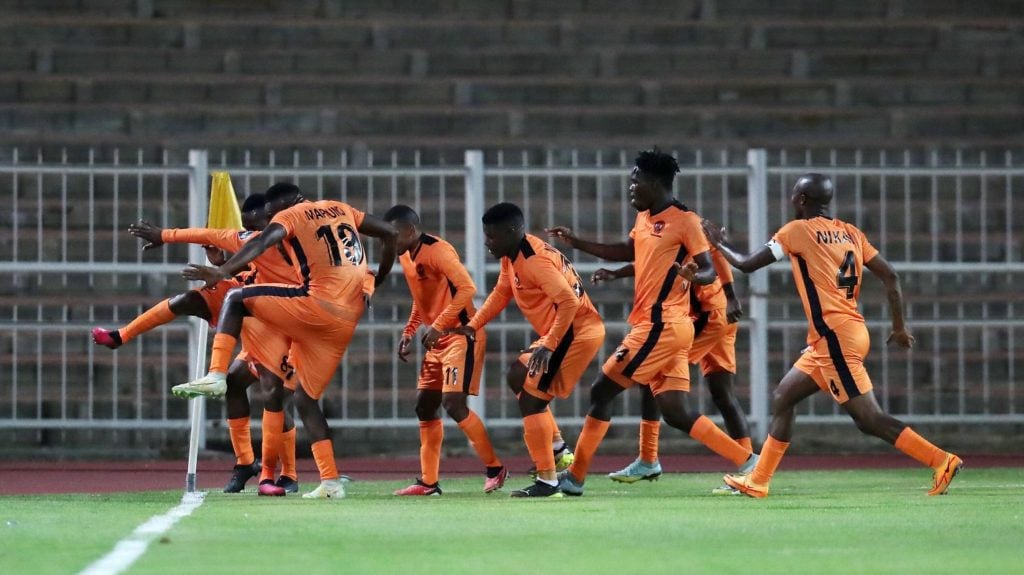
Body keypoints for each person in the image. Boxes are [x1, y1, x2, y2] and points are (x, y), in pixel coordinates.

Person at [703, 173, 962, 497]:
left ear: (800, 200)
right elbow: (890, 275)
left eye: (794, 195)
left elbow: (746, 264)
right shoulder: (850, 232)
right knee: (784, 397)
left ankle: (941, 460)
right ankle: (758, 481)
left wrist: (717, 243)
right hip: (846, 331)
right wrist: (898, 327)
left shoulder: (796, 231)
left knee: (869, 419)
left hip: (835, 337)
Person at [546, 149, 756, 496]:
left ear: (656, 182)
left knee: (602, 388)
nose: (631, 186)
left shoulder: (686, 220)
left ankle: (576, 478)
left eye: (636, 180)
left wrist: (697, 277)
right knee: (674, 411)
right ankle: (750, 463)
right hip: (666, 327)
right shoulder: (645, 217)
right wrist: (577, 242)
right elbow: (629, 251)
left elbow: (707, 265)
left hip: (662, 325)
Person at [177, 182, 397, 500]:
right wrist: (382, 275)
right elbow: (390, 232)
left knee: (237, 297)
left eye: (272, 214)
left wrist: (222, 270)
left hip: (317, 304)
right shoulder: (342, 208)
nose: (271, 220)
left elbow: (264, 240)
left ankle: (216, 374)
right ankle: (331, 481)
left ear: (284, 204)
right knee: (306, 401)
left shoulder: (292, 214)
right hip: (347, 318)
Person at [125, 197, 305, 496]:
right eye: (244, 228)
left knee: (275, 394)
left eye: (253, 227)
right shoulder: (253, 248)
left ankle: (284, 474)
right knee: (236, 384)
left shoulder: (286, 249)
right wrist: (220, 264)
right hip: (257, 337)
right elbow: (214, 242)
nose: (247, 234)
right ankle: (246, 463)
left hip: (289, 335)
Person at [452, 202, 605, 498]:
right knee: (517, 375)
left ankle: (548, 481)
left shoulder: (535, 261)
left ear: (512, 231)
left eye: (492, 236)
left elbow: (569, 303)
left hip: (575, 332)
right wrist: (474, 324)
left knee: (533, 401)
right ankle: (558, 449)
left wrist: (549, 343)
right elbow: (502, 292)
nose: (487, 242)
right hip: (564, 331)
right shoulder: (514, 256)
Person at [592, 244, 751, 495]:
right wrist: (616, 273)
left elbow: (714, 255)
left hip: (709, 315)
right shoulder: (662, 225)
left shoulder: (681, 224)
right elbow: (652, 265)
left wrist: (731, 296)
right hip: (715, 313)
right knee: (722, 393)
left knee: (658, 381)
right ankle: (749, 470)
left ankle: (649, 459)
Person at [384, 205, 508, 496]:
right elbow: (422, 298)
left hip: (460, 335)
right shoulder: (405, 255)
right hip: (436, 339)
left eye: (394, 234)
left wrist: (438, 325)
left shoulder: (438, 251)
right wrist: (409, 330)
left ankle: (495, 467)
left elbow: (468, 288)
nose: (390, 241)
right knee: (424, 405)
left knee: (453, 403)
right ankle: (428, 482)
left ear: (411, 231)